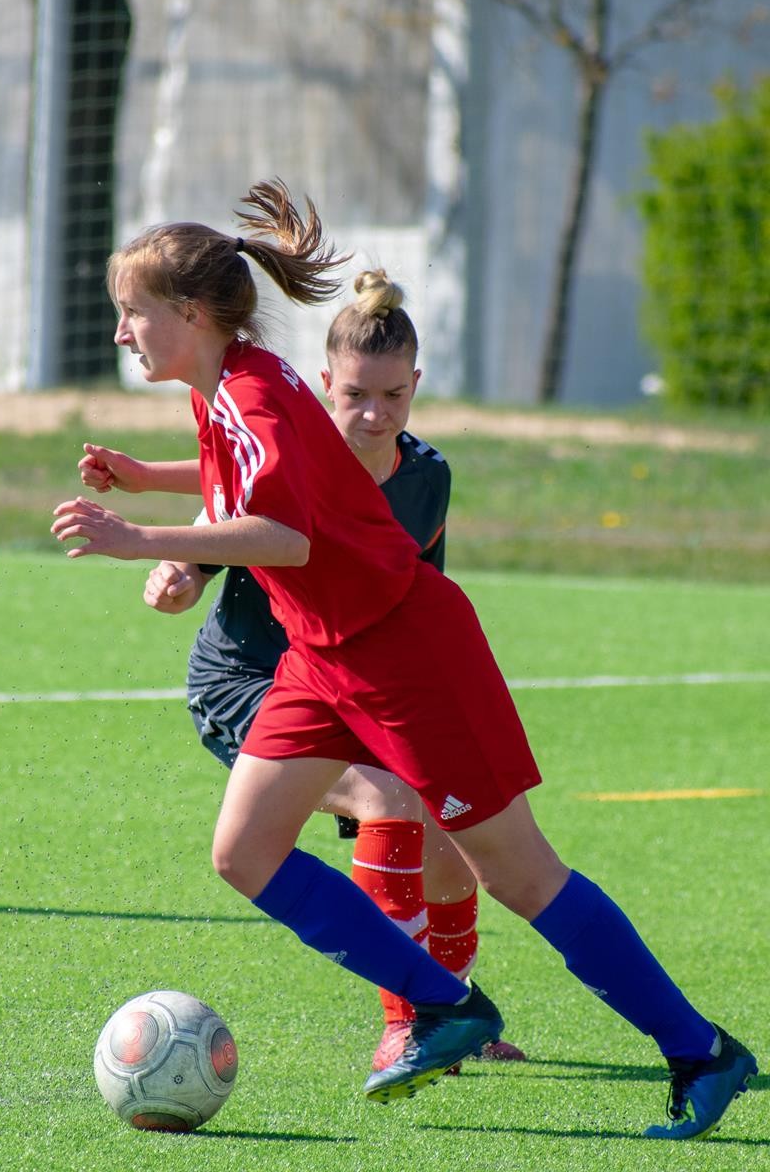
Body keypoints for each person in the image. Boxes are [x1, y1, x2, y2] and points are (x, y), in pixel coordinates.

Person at [52, 179, 756, 1140]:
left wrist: (138, 537)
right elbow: (268, 478)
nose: (121, 331)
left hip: (407, 651)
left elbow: (286, 535)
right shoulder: (232, 383)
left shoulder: (252, 393)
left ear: (189, 314)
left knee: (518, 873)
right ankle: (442, 1005)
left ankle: (701, 1051)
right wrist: (146, 478)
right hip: (323, 657)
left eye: (132, 311)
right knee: (245, 853)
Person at [78, 267, 526, 1072]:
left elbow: (409, 590)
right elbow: (238, 511)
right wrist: (184, 572)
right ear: (324, 386)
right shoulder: (290, 444)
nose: (373, 412)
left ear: (417, 386)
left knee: (446, 824)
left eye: (392, 395)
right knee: (389, 799)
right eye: (355, 394)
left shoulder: (427, 477)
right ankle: (411, 1020)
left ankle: (460, 1010)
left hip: (353, 682)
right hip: (252, 678)